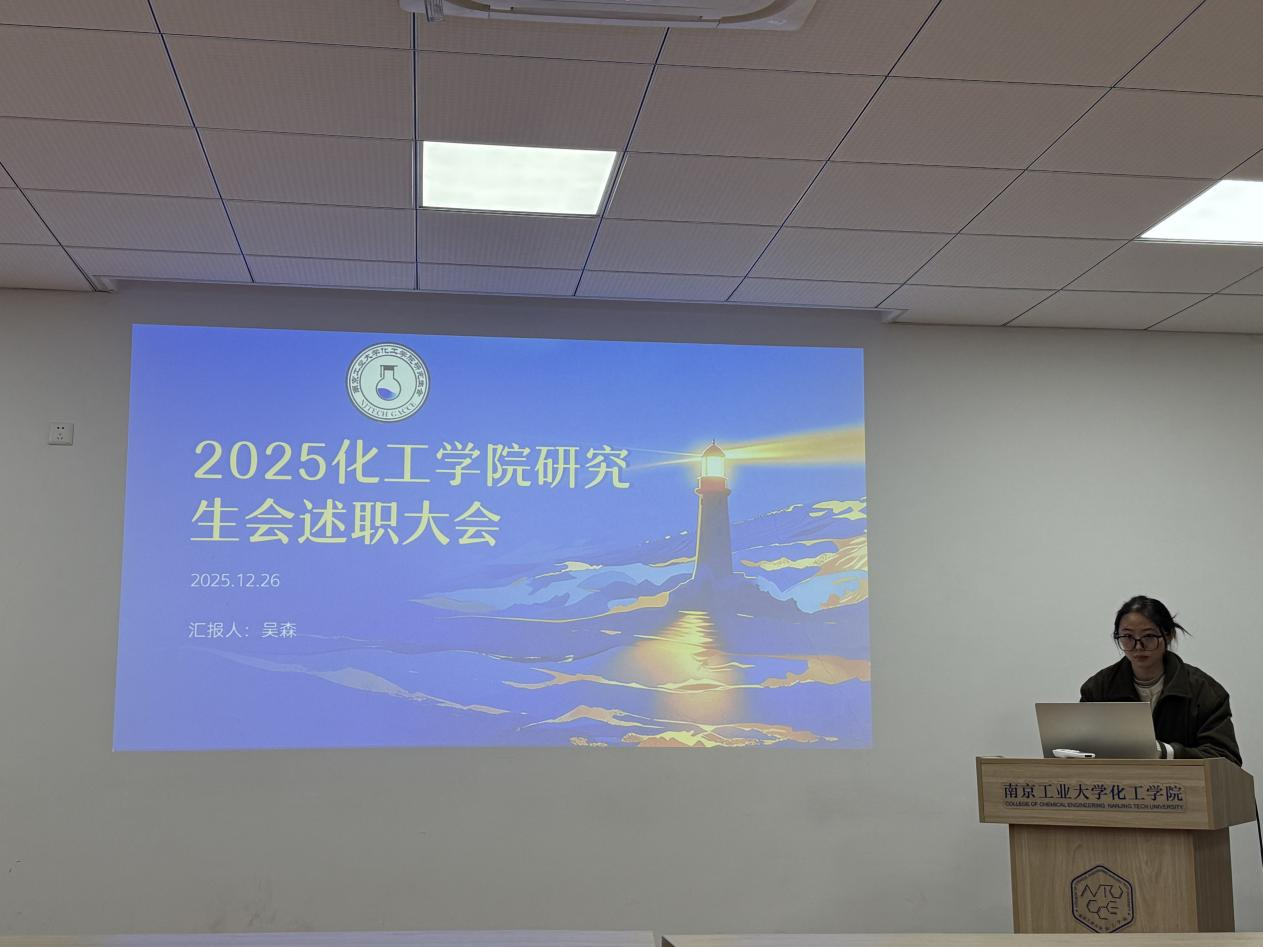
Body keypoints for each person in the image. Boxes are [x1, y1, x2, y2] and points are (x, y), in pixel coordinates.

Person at [1080, 595, 1241, 764]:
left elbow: (1226, 757)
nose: (1138, 646)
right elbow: (1080, 749)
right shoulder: (1098, 688)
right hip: (1116, 780)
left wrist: (1167, 752)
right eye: (1127, 637)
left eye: (1148, 636)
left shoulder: (1204, 691)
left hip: (1182, 781)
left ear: (1169, 635)